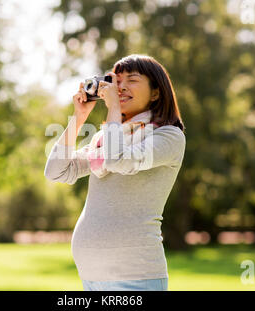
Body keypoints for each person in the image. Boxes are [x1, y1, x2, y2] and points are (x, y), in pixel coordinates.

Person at [44, 54, 186, 291]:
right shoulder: (104, 139)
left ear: (155, 92)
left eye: (132, 79)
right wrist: (79, 118)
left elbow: (118, 160)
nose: (120, 86)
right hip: (92, 277)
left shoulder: (168, 136)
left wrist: (113, 108)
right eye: (116, 80)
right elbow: (57, 172)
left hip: (135, 276)